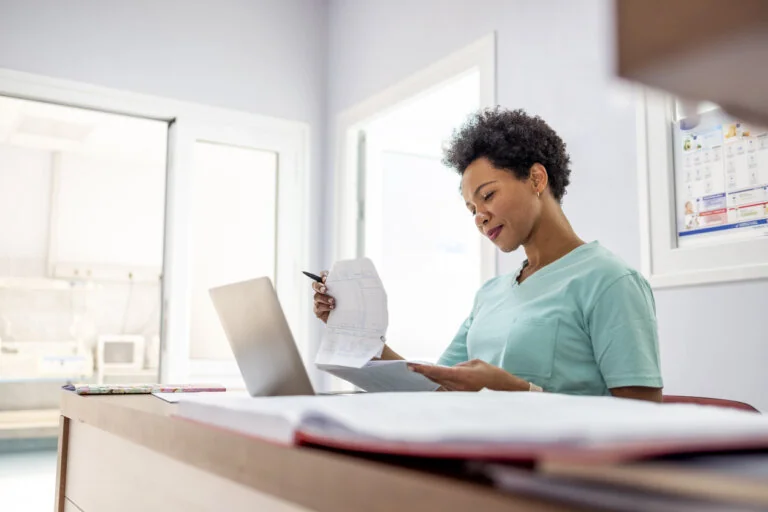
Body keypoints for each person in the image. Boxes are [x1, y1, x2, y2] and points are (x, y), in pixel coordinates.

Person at [313, 108, 663, 402]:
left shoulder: (609, 281)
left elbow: (640, 416)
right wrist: (356, 332)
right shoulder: (490, 295)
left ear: (536, 178)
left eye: (489, 195)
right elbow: (436, 386)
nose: (480, 217)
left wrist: (520, 391)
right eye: (471, 209)